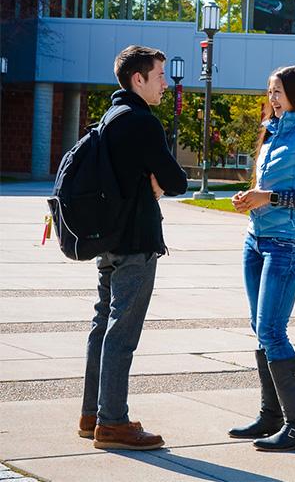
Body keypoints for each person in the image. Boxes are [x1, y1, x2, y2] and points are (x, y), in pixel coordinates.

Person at [80, 45, 188, 450]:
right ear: (137, 79)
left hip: (108, 240)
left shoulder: (108, 118)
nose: (165, 82)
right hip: (135, 242)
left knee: (102, 327)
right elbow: (177, 180)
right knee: (121, 333)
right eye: (159, 75)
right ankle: (113, 423)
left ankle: (92, 412)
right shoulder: (142, 122)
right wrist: (160, 184)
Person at [229, 66, 295, 452]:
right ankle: (270, 416)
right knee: (260, 328)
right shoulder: (271, 134)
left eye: (279, 92)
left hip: (288, 244)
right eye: (270, 91)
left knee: (273, 330)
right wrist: (249, 198)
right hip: (256, 240)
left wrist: (267, 197)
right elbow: (269, 187)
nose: (273, 98)